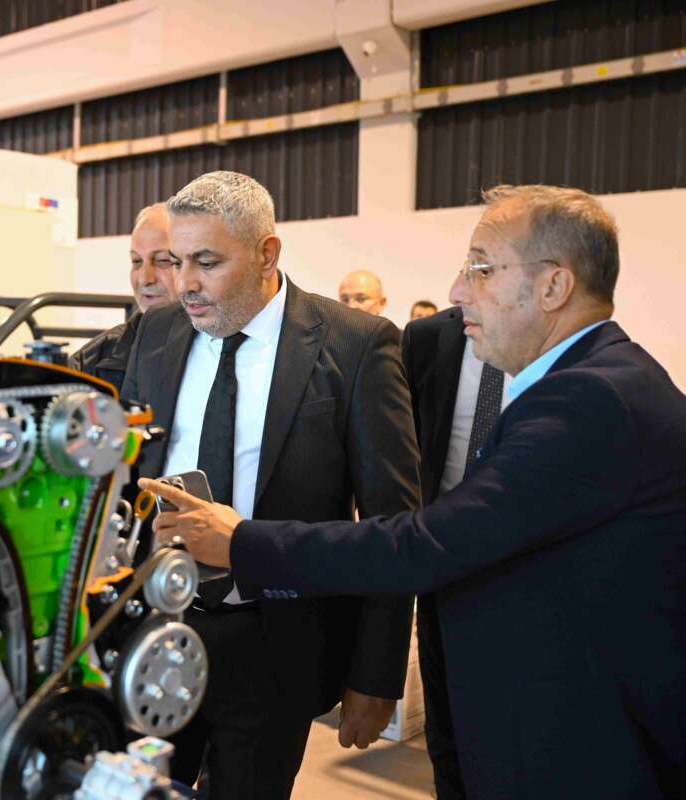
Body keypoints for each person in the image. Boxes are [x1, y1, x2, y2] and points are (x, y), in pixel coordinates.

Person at [141, 184, 686, 799]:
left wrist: (241, 542)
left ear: (554, 286)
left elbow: (423, 542)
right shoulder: (592, 382)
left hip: (588, 740)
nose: (456, 291)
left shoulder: (590, 399)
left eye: (481, 269)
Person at [120, 171, 419, 799]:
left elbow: (392, 521)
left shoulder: (355, 346)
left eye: (207, 262)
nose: (185, 282)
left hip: (274, 645)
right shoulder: (158, 332)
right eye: (177, 261)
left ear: (267, 254)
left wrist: (375, 675)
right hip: (160, 631)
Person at [400, 304, 512, 799]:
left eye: (482, 269)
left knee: (504, 725)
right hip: (440, 556)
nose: (460, 289)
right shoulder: (428, 338)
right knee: (444, 723)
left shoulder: (546, 338)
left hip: (517, 562)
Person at [68, 203, 176, 389]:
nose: (145, 279)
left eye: (162, 261)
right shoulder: (91, 362)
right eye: (136, 261)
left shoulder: (217, 357)